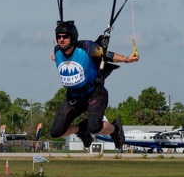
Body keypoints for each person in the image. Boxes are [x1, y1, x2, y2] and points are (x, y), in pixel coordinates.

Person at [49, 20, 139, 150]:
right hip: (73, 98)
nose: (61, 40)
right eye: (59, 37)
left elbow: (106, 55)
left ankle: (115, 129)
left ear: (73, 38)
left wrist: (126, 59)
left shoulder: (87, 48)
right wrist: (54, 57)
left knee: (95, 128)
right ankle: (81, 129)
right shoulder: (57, 51)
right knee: (56, 132)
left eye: (65, 37)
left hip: (94, 94)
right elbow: (58, 57)